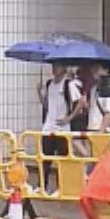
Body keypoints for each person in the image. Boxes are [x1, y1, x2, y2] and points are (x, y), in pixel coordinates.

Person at [38, 63, 73, 191]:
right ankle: (42, 186)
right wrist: (40, 94)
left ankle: (61, 187)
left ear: (64, 68)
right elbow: (47, 106)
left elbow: (80, 102)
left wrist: (68, 118)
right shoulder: (49, 84)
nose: (54, 69)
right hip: (48, 127)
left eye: (57, 66)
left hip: (62, 128)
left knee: (61, 159)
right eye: (53, 66)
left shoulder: (68, 84)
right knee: (45, 158)